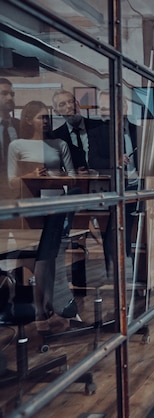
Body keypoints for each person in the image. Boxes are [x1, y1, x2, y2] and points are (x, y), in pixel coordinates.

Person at [6, 100, 76, 330]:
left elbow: (72, 178)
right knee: (28, 260)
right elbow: (10, 181)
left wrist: (54, 177)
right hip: (28, 208)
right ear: (28, 120)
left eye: (47, 117)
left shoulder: (59, 143)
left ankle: (46, 307)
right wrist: (32, 174)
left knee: (49, 259)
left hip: (54, 207)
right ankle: (33, 307)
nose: (45, 121)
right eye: (40, 117)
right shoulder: (17, 145)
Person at [88, 91, 140, 273]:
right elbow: (93, 161)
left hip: (139, 189)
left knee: (139, 234)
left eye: (106, 108)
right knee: (114, 234)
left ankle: (137, 273)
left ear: (123, 108)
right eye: (101, 108)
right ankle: (115, 274)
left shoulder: (138, 130)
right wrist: (116, 160)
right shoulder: (96, 133)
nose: (103, 113)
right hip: (114, 190)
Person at [51, 89, 102, 172]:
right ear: (56, 112)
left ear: (77, 104)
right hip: (75, 183)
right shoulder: (56, 136)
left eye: (71, 101)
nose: (69, 106)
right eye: (62, 104)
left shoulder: (99, 126)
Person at [0, 77, 20, 200]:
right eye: (4, 93)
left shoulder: (20, 126)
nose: (10, 98)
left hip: (18, 191)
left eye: (12, 94)